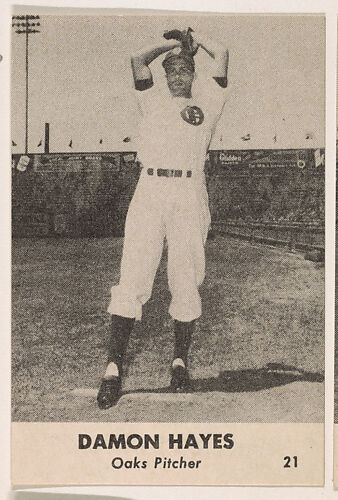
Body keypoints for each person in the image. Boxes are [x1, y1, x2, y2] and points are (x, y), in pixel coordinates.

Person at [97, 27, 230, 409]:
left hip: (190, 192)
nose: (176, 75)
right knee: (134, 275)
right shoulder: (151, 101)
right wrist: (172, 46)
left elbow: (221, 53)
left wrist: (195, 39)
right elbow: (138, 60)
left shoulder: (209, 103)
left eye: (183, 69)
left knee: (186, 277)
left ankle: (179, 361)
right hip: (151, 190)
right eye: (171, 70)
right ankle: (113, 370)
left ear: (193, 73)